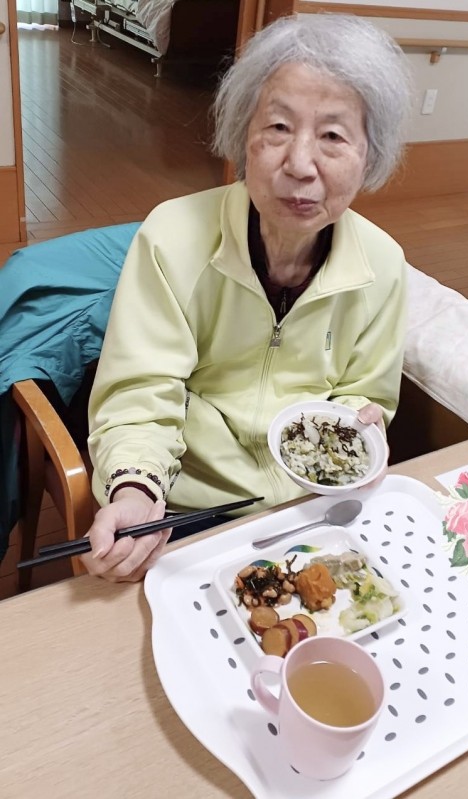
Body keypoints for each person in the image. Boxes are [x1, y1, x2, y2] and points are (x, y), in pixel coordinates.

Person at [82, 13, 413, 582]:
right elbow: (141, 392)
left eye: (333, 136)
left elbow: (365, 397)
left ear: (369, 155)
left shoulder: (383, 265)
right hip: (185, 508)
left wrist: (365, 430)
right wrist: (137, 488)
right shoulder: (171, 238)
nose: (300, 165)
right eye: (278, 127)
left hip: (314, 505)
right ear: (244, 136)